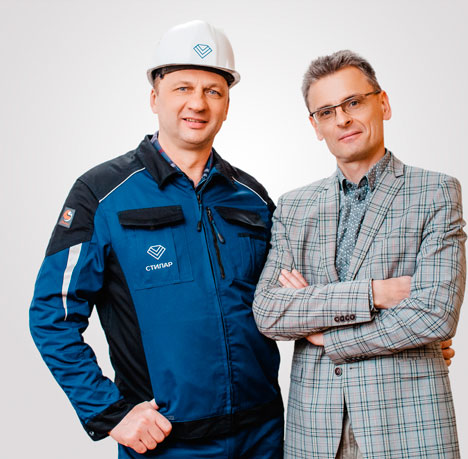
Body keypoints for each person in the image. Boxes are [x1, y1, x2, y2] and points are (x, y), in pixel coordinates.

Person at [29, 20, 283, 458]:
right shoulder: (101, 194)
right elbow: (53, 314)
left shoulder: (252, 198)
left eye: (213, 91)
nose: (197, 103)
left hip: (263, 437)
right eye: (183, 88)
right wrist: (110, 413)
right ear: (154, 97)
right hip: (166, 443)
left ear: (227, 105)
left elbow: (289, 298)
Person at [253, 50, 466, 459]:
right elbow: (269, 311)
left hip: (408, 428)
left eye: (353, 102)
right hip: (314, 433)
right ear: (315, 126)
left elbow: (434, 314)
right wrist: (375, 294)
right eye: (327, 111)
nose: (342, 119)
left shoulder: (435, 192)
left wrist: (327, 334)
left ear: (382, 104)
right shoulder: (294, 207)